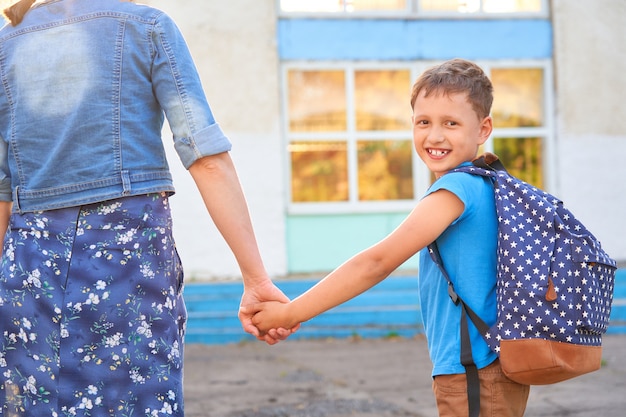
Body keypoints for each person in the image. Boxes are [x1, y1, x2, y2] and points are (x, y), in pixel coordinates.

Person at [0, 0, 294, 415]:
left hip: (28, 274)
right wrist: (256, 279)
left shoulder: (5, 43)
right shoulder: (146, 27)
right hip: (127, 267)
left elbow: (2, 189)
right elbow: (206, 158)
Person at [245, 58, 531, 417]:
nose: (435, 135)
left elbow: (376, 263)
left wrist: (289, 313)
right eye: (423, 122)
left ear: (483, 128)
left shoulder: (456, 189)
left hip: (473, 371)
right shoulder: (486, 182)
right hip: (490, 368)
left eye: (452, 123)